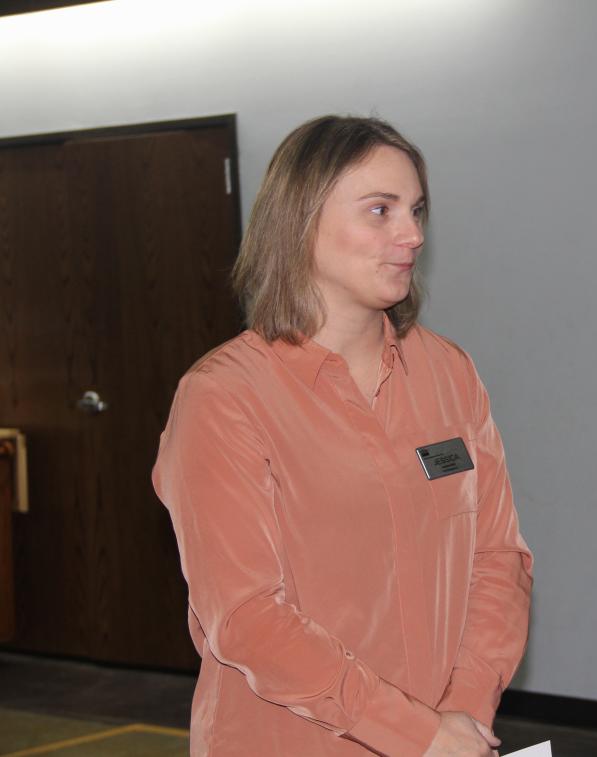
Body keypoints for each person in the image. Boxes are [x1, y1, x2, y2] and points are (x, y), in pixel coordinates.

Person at [153, 115, 532, 757]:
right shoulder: (223, 396)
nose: (411, 234)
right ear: (300, 222)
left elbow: (498, 559)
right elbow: (246, 618)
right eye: (379, 210)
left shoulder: (448, 372)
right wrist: (415, 732)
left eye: (416, 209)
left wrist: (460, 714)